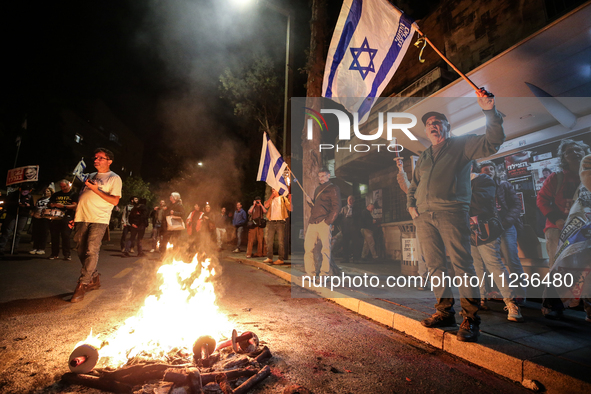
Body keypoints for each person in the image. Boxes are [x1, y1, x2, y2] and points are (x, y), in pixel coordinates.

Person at [407, 89, 504, 342]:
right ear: (426, 131)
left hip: (451, 213)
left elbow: (492, 141)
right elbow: (413, 185)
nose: (433, 126)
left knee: (462, 265)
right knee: (435, 266)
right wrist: (411, 206)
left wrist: (489, 112)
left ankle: (471, 318)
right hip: (425, 217)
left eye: (437, 122)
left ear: (447, 126)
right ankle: (444, 312)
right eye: (429, 124)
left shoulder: (461, 144)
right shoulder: (424, 157)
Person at [537, 139, 590, 319]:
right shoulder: (557, 177)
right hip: (558, 229)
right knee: (558, 267)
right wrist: (557, 219)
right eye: (569, 151)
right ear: (563, 157)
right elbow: (542, 200)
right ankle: (552, 303)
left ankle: (581, 303)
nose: (574, 153)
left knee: (586, 267)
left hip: (585, 229)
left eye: (578, 149)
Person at [469, 164, 523, 322]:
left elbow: (480, 204)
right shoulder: (457, 181)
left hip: (487, 229)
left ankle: (512, 302)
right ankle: (481, 298)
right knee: (477, 267)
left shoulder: (483, 180)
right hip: (468, 230)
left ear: (471, 165)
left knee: (495, 264)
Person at [71, 148, 122, 303]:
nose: (96, 160)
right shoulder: (90, 176)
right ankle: (94, 277)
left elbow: (114, 201)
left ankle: (83, 284)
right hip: (82, 216)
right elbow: (83, 197)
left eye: (101, 158)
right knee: (80, 248)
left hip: (99, 219)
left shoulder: (114, 178)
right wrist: (75, 215)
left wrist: (95, 189)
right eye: (95, 158)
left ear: (109, 161)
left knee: (91, 250)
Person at [479, 160, 526, 302]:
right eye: (485, 169)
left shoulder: (504, 185)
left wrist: (506, 222)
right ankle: (497, 290)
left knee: (512, 258)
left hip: (506, 227)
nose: (489, 171)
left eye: (491, 168)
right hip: (489, 229)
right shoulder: (479, 188)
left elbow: (516, 205)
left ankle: (521, 294)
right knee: (491, 261)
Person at [304, 168, 341, 277]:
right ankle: (310, 273)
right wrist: (311, 203)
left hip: (323, 222)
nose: (321, 178)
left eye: (323, 176)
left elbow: (337, 207)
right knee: (308, 248)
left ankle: (324, 274)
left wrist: (328, 221)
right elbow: (317, 207)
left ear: (329, 175)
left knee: (325, 249)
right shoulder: (318, 189)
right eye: (319, 176)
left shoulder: (333, 188)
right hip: (313, 222)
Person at [48, 180, 78, 260]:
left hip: (67, 216)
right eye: (61, 187)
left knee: (65, 236)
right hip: (56, 217)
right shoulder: (56, 194)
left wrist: (64, 206)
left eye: (64, 186)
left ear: (68, 185)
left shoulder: (73, 194)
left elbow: (75, 206)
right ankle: (54, 253)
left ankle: (67, 254)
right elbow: (50, 203)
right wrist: (52, 204)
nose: (63, 188)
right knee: (54, 236)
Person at [0, 185, 34, 255]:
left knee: (18, 232)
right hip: (12, 214)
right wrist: (17, 204)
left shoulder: (30, 197)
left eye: (26, 192)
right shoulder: (13, 195)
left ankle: (14, 247)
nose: (25, 193)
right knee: (7, 231)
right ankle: (1, 247)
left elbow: (32, 206)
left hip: (23, 215)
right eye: (23, 191)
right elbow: (7, 203)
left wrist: (28, 206)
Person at [263, 188, 292, 265]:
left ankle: (280, 259)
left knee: (280, 242)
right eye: (272, 190)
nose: (273, 191)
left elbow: (290, 208)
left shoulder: (283, 198)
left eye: (274, 190)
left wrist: (290, 200)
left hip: (280, 222)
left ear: (278, 190)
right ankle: (269, 258)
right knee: (269, 241)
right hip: (271, 222)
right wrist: (271, 196)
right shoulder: (271, 199)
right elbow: (266, 205)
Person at [29, 187, 53, 255]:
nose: (46, 192)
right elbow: (36, 207)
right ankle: (35, 247)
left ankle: (41, 248)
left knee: (44, 233)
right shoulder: (39, 200)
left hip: (45, 218)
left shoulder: (51, 200)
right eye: (45, 191)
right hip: (37, 217)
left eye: (48, 191)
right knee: (36, 233)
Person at [337, 195, 358, 263]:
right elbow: (340, 217)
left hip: (354, 228)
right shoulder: (344, 209)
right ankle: (345, 258)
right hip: (346, 228)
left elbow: (359, 218)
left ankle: (355, 258)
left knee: (355, 243)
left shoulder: (356, 208)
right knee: (345, 243)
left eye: (351, 199)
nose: (350, 201)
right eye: (349, 199)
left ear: (353, 200)